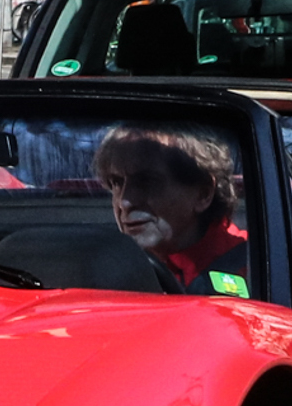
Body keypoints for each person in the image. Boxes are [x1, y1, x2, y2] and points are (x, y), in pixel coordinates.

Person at [93, 124, 247, 291]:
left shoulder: (257, 265)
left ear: (203, 194)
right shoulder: (102, 269)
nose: (125, 202)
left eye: (147, 182)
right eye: (116, 182)